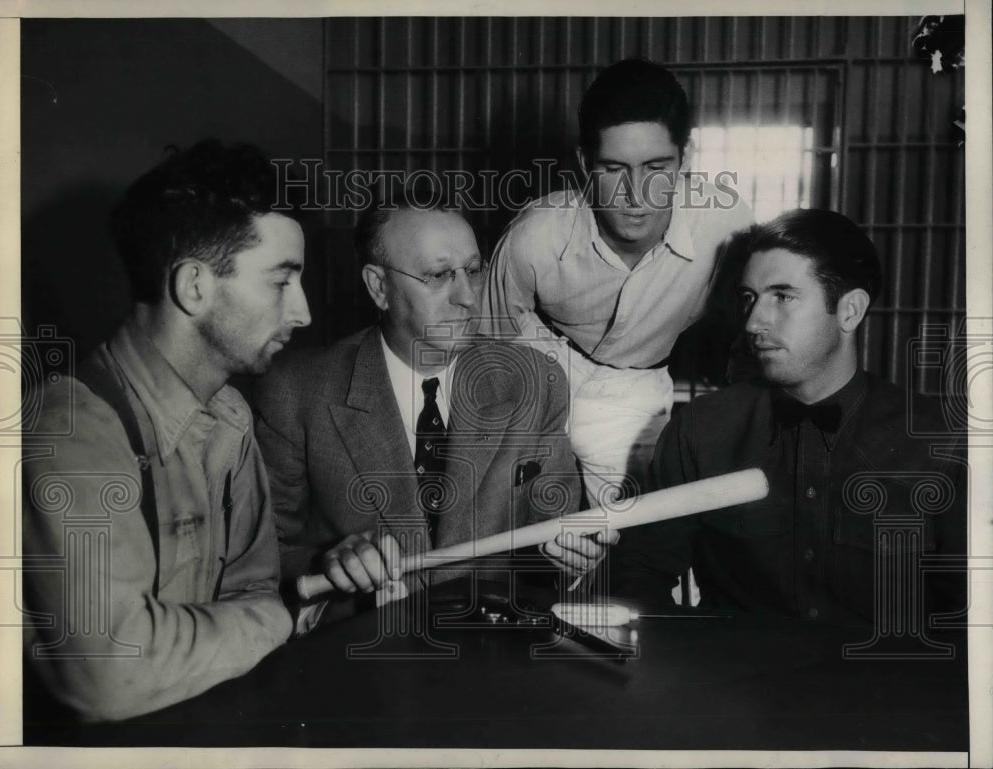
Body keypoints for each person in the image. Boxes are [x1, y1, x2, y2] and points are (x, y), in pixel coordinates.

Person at [22, 140, 311, 722]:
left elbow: (250, 590)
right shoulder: (69, 434)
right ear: (194, 288)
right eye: (281, 283)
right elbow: (110, 676)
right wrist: (280, 616)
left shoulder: (230, 418)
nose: (303, 313)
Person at [254, 194, 614, 610]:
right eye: (439, 275)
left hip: (491, 650)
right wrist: (328, 562)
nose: (467, 297)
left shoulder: (534, 381)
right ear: (379, 287)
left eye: (474, 271)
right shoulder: (298, 393)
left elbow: (552, 540)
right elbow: (263, 556)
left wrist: (569, 560)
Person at [611, 209, 966, 625]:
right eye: (750, 298)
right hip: (729, 685)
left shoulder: (937, 439)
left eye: (783, 296)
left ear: (850, 311)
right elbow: (636, 577)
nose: (755, 321)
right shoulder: (701, 430)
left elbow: (969, 621)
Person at [481, 57, 754, 509]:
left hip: (634, 392)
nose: (636, 193)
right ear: (584, 163)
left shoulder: (728, 227)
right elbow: (487, 341)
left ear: (686, 159)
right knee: (503, 533)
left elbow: (758, 327)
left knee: (634, 548)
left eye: (656, 166)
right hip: (536, 366)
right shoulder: (536, 235)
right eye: (613, 168)